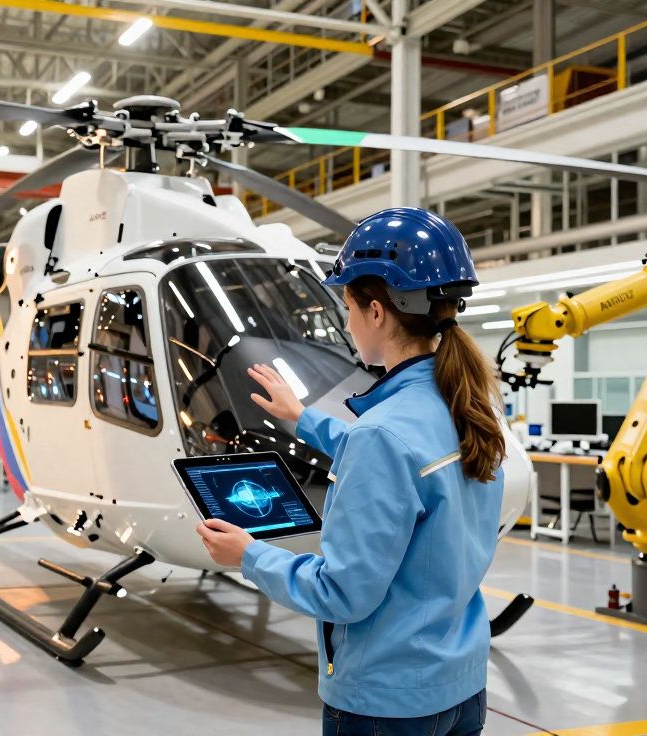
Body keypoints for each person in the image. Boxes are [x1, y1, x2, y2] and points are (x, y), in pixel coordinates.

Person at [196, 207, 506, 736]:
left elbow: (343, 594)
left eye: (347, 306)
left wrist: (249, 556)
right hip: (461, 688)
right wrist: (302, 419)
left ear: (378, 313)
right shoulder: (468, 406)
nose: (345, 322)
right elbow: (399, 460)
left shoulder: (383, 434)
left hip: (386, 701)